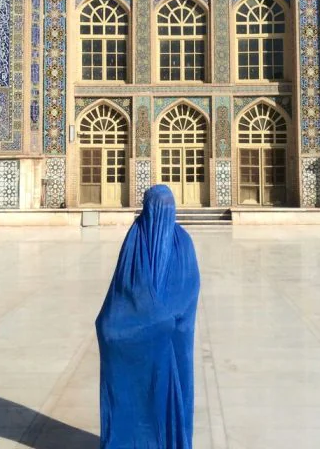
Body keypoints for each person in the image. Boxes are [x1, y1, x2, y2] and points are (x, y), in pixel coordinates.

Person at [95, 185, 200, 448]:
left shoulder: (175, 242)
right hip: (159, 335)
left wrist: (162, 321)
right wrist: (155, 321)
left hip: (175, 339)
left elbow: (189, 290)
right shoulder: (136, 239)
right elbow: (125, 292)